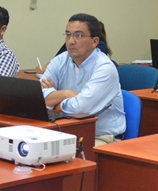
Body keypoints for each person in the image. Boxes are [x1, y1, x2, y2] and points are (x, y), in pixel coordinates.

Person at [41, 13, 125, 144]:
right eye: (68, 34)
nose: (71, 41)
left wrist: (54, 101)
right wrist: (66, 94)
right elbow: (37, 97)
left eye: (78, 35)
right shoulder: (61, 60)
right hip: (64, 132)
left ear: (95, 41)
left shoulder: (105, 68)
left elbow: (81, 110)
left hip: (101, 137)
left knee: (68, 160)